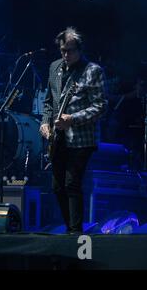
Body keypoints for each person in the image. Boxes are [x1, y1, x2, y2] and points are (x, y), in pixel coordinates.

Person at [40, 27, 107, 234]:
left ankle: (75, 232)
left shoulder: (92, 71)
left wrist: (73, 119)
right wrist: (44, 123)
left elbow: (101, 106)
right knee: (57, 187)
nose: (66, 55)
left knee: (72, 184)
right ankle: (71, 228)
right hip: (57, 138)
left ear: (80, 49)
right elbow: (49, 102)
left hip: (81, 139)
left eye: (70, 51)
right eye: (62, 51)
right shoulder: (54, 67)